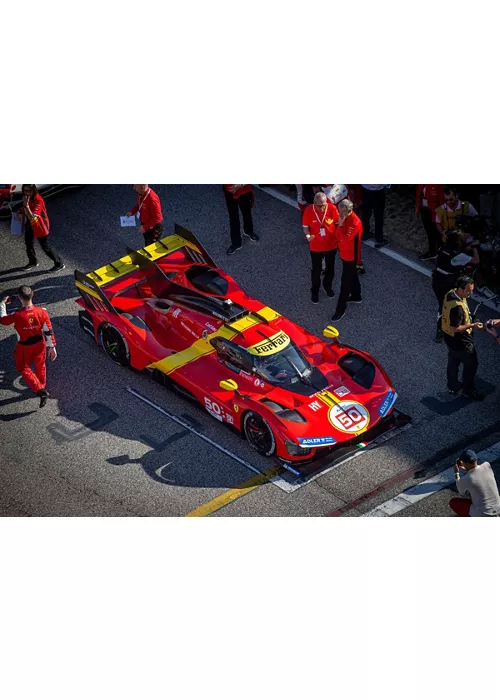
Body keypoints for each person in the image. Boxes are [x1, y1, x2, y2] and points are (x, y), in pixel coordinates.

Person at [0, 286, 57, 407]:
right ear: (33, 294)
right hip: (39, 344)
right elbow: (48, 330)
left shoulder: (17, 315)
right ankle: (41, 385)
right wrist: (52, 347)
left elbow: (3, 320)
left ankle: (40, 390)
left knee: (23, 368)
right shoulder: (42, 312)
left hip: (24, 347)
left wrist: (2, 304)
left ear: (19, 298)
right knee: (40, 365)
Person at [432, 231, 480, 342]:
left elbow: (456, 255)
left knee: (442, 305)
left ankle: (439, 331)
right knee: (457, 304)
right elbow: (476, 260)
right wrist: (475, 248)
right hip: (448, 282)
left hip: (436, 280)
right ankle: (464, 327)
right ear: (458, 241)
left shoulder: (442, 248)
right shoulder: (459, 256)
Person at [441, 275, 484, 400]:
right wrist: (472, 325)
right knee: (471, 365)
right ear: (460, 289)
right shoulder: (457, 308)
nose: (470, 293)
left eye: (472, 290)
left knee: (453, 362)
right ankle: (468, 390)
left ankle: (452, 386)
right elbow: (455, 328)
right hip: (461, 341)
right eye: (468, 290)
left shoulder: (451, 294)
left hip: (449, 338)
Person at [302, 192, 339, 304]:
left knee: (330, 268)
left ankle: (327, 287)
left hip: (331, 245)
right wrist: (308, 235)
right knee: (316, 270)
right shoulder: (309, 210)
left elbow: (337, 224)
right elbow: (305, 227)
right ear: (314, 203)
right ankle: (315, 291)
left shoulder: (332, 208)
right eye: (319, 205)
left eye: (324, 205)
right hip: (316, 246)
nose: (322, 208)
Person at [20, 184, 64, 272]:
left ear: (34, 190)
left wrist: (26, 205)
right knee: (28, 243)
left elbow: (32, 217)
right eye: (25, 190)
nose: (27, 193)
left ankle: (59, 263)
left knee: (45, 247)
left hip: (40, 225)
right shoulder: (26, 197)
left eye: (29, 191)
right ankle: (33, 261)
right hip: (30, 223)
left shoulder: (39, 200)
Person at [331, 199, 363, 321]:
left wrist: (340, 225)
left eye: (342, 212)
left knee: (345, 284)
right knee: (352, 276)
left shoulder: (355, 223)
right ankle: (356, 295)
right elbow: (338, 237)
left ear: (349, 211)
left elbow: (343, 239)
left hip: (351, 258)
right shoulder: (344, 218)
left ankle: (340, 310)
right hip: (345, 254)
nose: (339, 214)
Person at [449, 449, 500, 517]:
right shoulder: (487, 465)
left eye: (462, 462)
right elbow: (477, 473)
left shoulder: (468, 478)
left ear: (466, 463)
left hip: (484, 513)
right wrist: (467, 468)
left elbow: (461, 492)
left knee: (453, 502)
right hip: (498, 507)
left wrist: (456, 473)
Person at [223, 185, 258, 255]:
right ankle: (236, 243)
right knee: (233, 217)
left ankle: (248, 231)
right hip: (229, 191)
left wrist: (240, 184)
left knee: (246, 212)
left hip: (244, 190)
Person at [416, 184, 445, 260]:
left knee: (434, 231)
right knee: (429, 231)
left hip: (434, 210)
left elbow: (441, 198)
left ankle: (435, 252)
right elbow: (419, 194)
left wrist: (440, 213)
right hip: (424, 208)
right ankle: (434, 251)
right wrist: (418, 208)